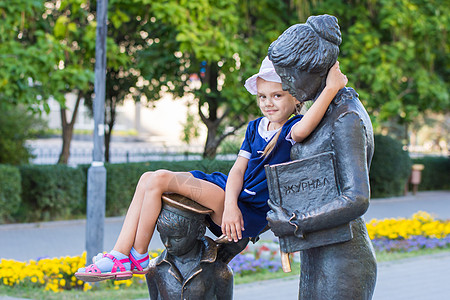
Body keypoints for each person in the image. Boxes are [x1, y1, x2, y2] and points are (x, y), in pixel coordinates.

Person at [75, 55, 347, 282]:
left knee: (159, 179)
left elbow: (305, 127)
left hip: (247, 209)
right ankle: (120, 253)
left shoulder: (290, 129)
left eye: (277, 95)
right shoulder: (255, 127)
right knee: (148, 177)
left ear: (295, 98)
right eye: (262, 96)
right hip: (229, 194)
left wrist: (331, 87)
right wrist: (228, 203)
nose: (268, 102)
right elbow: (238, 170)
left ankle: (137, 256)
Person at [266, 15, 377, 299]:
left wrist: (295, 221)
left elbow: (357, 198)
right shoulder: (326, 110)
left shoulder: (346, 117)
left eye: (289, 75)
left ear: (312, 68)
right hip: (320, 250)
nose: (286, 85)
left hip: (343, 260)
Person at [146, 199, 233, 299]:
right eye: (163, 236)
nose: (167, 244)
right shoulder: (154, 269)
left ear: (199, 231)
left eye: (177, 238)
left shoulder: (219, 271)